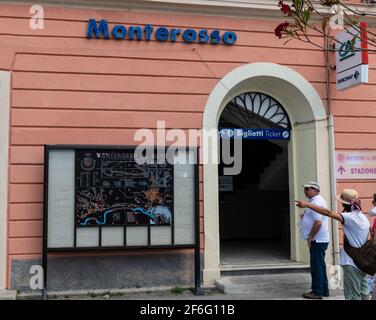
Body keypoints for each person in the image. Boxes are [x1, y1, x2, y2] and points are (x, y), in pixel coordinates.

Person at [295, 189, 371, 300]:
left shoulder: (350, 218)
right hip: (363, 262)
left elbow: (328, 213)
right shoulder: (363, 218)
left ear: (344, 203)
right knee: (365, 294)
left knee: (353, 296)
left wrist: (307, 205)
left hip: (352, 263)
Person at [299, 181, 330, 299]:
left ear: (316, 190)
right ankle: (323, 290)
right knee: (320, 265)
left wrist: (311, 236)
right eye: (305, 189)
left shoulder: (317, 201)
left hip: (317, 239)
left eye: (308, 189)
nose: (305, 191)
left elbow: (318, 222)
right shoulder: (313, 201)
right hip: (320, 239)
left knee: (316, 266)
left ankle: (317, 292)